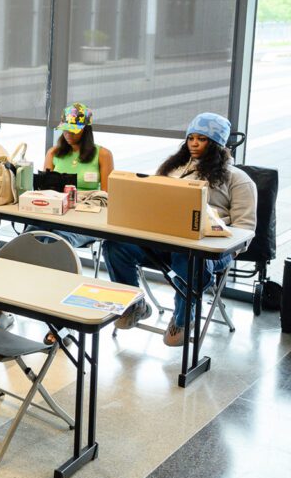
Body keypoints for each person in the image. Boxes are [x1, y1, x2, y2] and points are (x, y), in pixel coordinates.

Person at [105, 113, 256, 347]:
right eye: (191, 138)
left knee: (187, 257)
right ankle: (134, 304)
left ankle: (183, 319)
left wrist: (222, 246)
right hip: (165, 241)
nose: (194, 144)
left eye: (202, 139)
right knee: (116, 246)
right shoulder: (172, 169)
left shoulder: (238, 179)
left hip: (209, 251)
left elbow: (245, 230)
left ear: (217, 144)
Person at [36, 103, 115, 249]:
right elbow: (44, 189)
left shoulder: (103, 155)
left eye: (73, 130)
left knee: (60, 240)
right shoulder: (53, 153)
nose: (68, 134)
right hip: (56, 211)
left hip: (87, 216)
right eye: (65, 129)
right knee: (31, 236)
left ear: (85, 130)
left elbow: (107, 196)